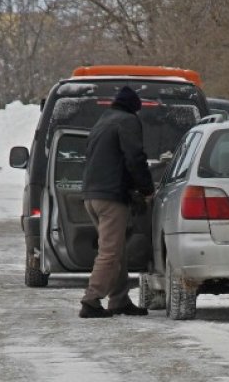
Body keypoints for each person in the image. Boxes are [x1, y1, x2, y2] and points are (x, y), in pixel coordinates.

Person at [79, 86, 154, 318]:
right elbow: (135, 157)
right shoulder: (127, 121)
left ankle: (119, 300)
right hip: (111, 198)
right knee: (110, 252)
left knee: (117, 250)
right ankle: (91, 301)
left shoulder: (102, 122)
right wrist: (146, 189)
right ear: (134, 108)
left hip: (92, 195)